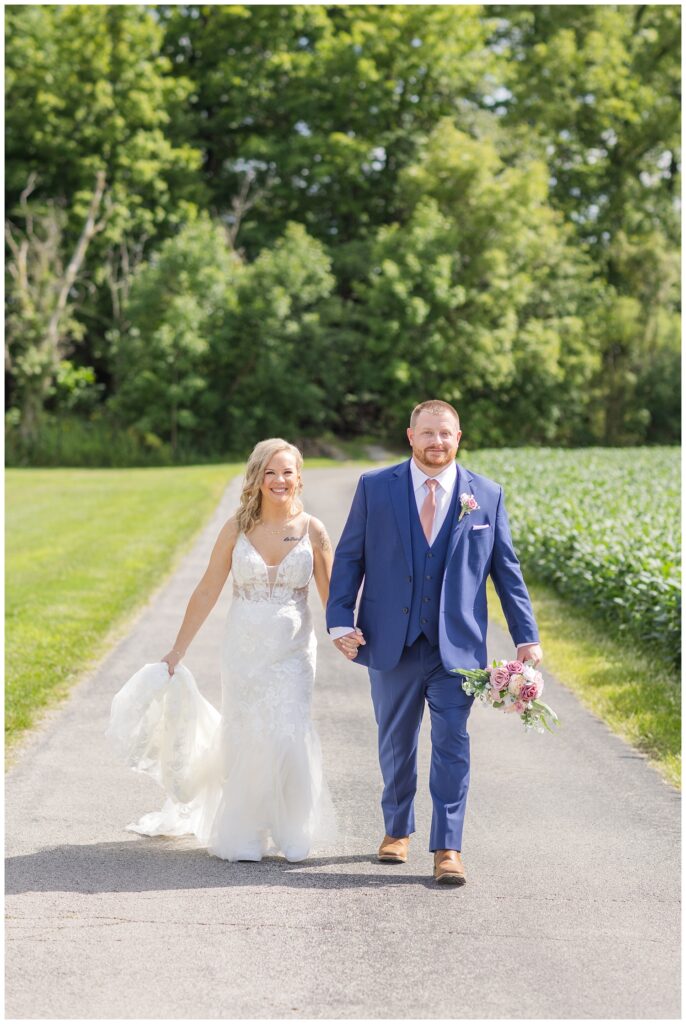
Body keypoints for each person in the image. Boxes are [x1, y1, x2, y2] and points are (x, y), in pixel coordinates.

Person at [326, 400, 542, 885]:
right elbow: (348, 558)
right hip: (390, 641)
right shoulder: (375, 488)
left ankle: (448, 847)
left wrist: (526, 637)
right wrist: (340, 619)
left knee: (452, 743)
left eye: (445, 434)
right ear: (410, 436)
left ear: (458, 437)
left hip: (457, 649)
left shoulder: (486, 495)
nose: (436, 442)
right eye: (427, 433)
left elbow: (507, 574)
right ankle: (396, 831)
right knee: (395, 742)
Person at [107, 438, 337, 863]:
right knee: (248, 731)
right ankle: (246, 829)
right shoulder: (236, 528)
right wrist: (177, 650)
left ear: (299, 477)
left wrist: (353, 638)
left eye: (287, 471)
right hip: (244, 651)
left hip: (293, 654)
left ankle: (290, 827)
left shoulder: (314, 530)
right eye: (270, 472)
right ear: (257, 478)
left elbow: (333, 598)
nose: (279, 480)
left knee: (288, 731)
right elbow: (208, 588)